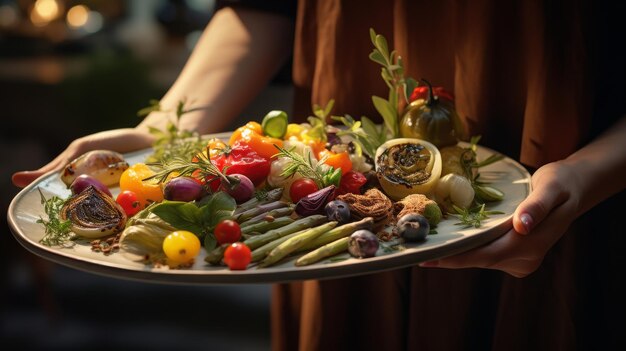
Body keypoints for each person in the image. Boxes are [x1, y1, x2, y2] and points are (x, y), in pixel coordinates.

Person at [12, 1, 626, 350]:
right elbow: (261, 7)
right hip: (339, 213)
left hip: (559, 196)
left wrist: (590, 173)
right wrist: (166, 130)